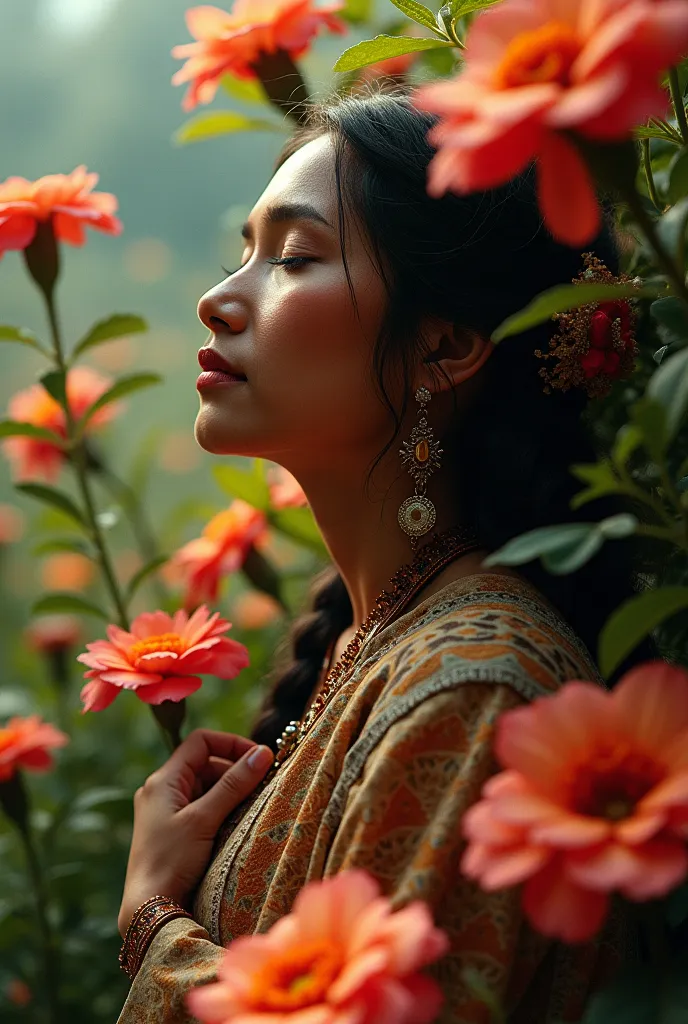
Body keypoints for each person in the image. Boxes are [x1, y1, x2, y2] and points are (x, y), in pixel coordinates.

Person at [115, 90, 640, 1023]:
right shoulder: (393, 642)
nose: (219, 298)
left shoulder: (473, 692)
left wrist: (155, 921)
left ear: (444, 345)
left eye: (293, 258)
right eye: (245, 251)